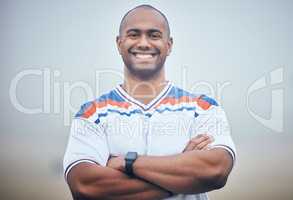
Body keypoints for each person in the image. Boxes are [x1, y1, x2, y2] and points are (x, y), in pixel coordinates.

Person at [63, 4, 236, 200]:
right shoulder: (92, 114)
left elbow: (215, 171)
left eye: (154, 35)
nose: (144, 43)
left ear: (169, 45)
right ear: (119, 43)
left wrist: (127, 163)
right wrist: (183, 175)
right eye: (134, 34)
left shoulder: (203, 108)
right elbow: (85, 186)